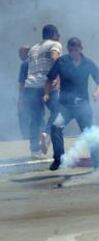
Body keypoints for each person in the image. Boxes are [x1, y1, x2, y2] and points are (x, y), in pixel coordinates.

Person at [45, 37, 99, 171]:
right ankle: (58, 159)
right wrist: (46, 93)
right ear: (68, 49)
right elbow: (49, 79)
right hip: (65, 106)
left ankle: (97, 163)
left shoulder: (88, 63)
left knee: (90, 132)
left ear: (81, 49)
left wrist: (97, 93)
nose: (73, 52)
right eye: (71, 49)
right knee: (55, 127)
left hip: (82, 105)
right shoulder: (61, 62)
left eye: (76, 49)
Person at [24, 24, 62, 159]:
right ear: (53, 34)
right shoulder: (55, 44)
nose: (59, 37)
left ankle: (34, 151)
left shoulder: (34, 48)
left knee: (35, 119)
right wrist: (58, 77)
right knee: (58, 111)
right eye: (58, 34)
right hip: (47, 85)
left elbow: (25, 62)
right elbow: (55, 58)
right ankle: (46, 134)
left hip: (30, 86)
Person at [17, 46, 31, 139]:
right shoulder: (36, 63)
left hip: (27, 96)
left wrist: (20, 99)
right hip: (37, 95)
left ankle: (26, 138)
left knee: (23, 117)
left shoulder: (25, 64)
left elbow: (22, 83)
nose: (19, 56)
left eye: (21, 53)